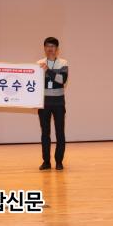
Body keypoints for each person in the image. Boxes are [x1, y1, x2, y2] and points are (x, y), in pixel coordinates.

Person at [37, 37, 69, 171]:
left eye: (53, 46)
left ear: (57, 49)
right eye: (48, 46)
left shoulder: (63, 63)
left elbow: (62, 80)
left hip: (58, 103)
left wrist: (48, 71)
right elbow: (35, 84)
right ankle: (46, 162)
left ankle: (59, 161)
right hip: (43, 103)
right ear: (44, 48)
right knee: (45, 133)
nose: (50, 49)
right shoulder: (38, 63)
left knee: (60, 133)